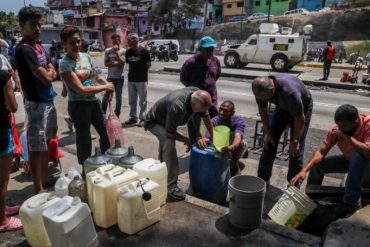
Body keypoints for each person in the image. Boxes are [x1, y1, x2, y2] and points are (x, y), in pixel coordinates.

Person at [291, 104, 370, 217]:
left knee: (358, 156)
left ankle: (351, 203)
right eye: (339, 126)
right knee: (318, 165)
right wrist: (304, 170)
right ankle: (313, 197)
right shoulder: (337, 129)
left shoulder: (368, 125)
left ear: (356, 121)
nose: (340, 130)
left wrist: (348, 137)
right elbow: (321, 151)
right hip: (350, 161)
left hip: (367, 165)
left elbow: (368, 152)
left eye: (344, 127)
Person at [58, 26, 114, 172]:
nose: (76, 45)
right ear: (64, 44)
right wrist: (105, 87)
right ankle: (86, 170)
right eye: (71, 42)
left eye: (78, 41)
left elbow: (96, 75)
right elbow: (81, 90)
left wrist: (106, 83)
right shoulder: (64, 64)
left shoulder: (86, 56)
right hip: (78, 105)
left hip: (93, 102)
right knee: (84, 139)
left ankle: (106, 161)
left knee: (106, 132)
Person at [15, 7, 58, 193]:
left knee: (46, 142)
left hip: (48, 101)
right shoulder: (24, 49)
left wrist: (49, 72)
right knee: (36, 146)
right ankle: (38, 187)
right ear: (22, 25)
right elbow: (48, 77)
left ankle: (45, 177)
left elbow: (52, 69)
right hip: (36, 103)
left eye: (40, 25)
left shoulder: (39, 46)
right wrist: (49, 73)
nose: (38, 28)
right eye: (33, 25)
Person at [144, 88, 213, 200]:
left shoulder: (197, 96)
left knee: (165, 152)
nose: (203, 112)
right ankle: (171, 187)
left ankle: (160, 174)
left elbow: (205, 117)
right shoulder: (178, 106)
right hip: (155, 121)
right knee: (169, 144)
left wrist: (212, 135)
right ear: (194, 104)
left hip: (168, 120)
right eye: (201, 110)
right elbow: (170, 133)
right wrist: (188, 140)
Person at [252, 75, 313, 184]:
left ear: (272, 90)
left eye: (266, 99)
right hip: (281, 108)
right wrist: (267, 133)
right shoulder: (260, 90)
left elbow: (300, 119)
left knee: (295, 150)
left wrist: (295, 141)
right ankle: (263, 180)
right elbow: (262, 110)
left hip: (301, 109)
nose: (264, 101)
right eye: (261, 99)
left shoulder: (290, 93)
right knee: (269, 143)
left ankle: (293, 186)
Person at [196, 100, 248, 177]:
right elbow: (207, 136)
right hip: (220, 144)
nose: (221, 112)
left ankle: (234, 165)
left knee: (240, 143)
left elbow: (238, 137)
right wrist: (202, 140)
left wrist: (231, 147)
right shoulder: (215, 120)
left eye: (225, 111)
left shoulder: (238, 120)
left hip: (232, 145)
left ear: (232, 113)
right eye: (220, 109)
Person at [0, 70, 22, 233]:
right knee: (3, 179)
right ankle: (3, 221)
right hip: (1, 129)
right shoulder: (3, 76)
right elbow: (14, 107)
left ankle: (2, 208)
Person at [180, 36, 221, 118]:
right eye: (207, 50)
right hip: (196, 102)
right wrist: (195, 91)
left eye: (211, 49)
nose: (210, 52)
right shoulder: (191, 62)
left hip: (211, 100)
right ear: (200, 49)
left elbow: (216, 76)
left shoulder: (215, 61)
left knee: (212, 125)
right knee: (195, 126)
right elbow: (183, 80)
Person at [124, 33, 151, 126]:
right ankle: (133, 117)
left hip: (141, 79)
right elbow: (128, 62)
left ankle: (143, 118)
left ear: (136, 40)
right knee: (132, 100)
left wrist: (143, 74)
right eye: (129, 40)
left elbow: (148, 64)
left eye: (131, 39)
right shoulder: (128, 52)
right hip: (131, 79)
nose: (129, 41)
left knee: (143, 101)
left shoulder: (144, 51)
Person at [101, 34, 126, 117]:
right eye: (113, 41)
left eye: (116, 41)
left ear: (120, 41)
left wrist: (117, 52)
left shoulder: (124, 51)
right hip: (110, 77)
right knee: (106, 95)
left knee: (118, 97)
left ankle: (117, 114)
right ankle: (102, 113)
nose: (115, 42)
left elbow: (122, 63)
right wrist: (116, 63)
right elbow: (106, 64)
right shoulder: (108, 50)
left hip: (119, 78)